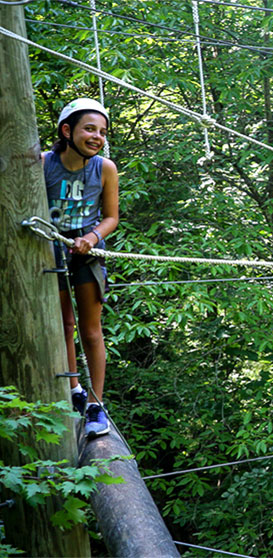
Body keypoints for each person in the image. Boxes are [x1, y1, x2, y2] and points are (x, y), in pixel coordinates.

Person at [44, 98, 120, 438]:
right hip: (49, 249)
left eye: (102, 131)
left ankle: (95, 404)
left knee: (91, 329)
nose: (97, 137)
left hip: (88, 251)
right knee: (64, 324)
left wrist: (91, 237)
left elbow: (111, 217)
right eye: (90, 129)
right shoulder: (43, 163)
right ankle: (73, 388)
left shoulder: (105, 168)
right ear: (67, 130)